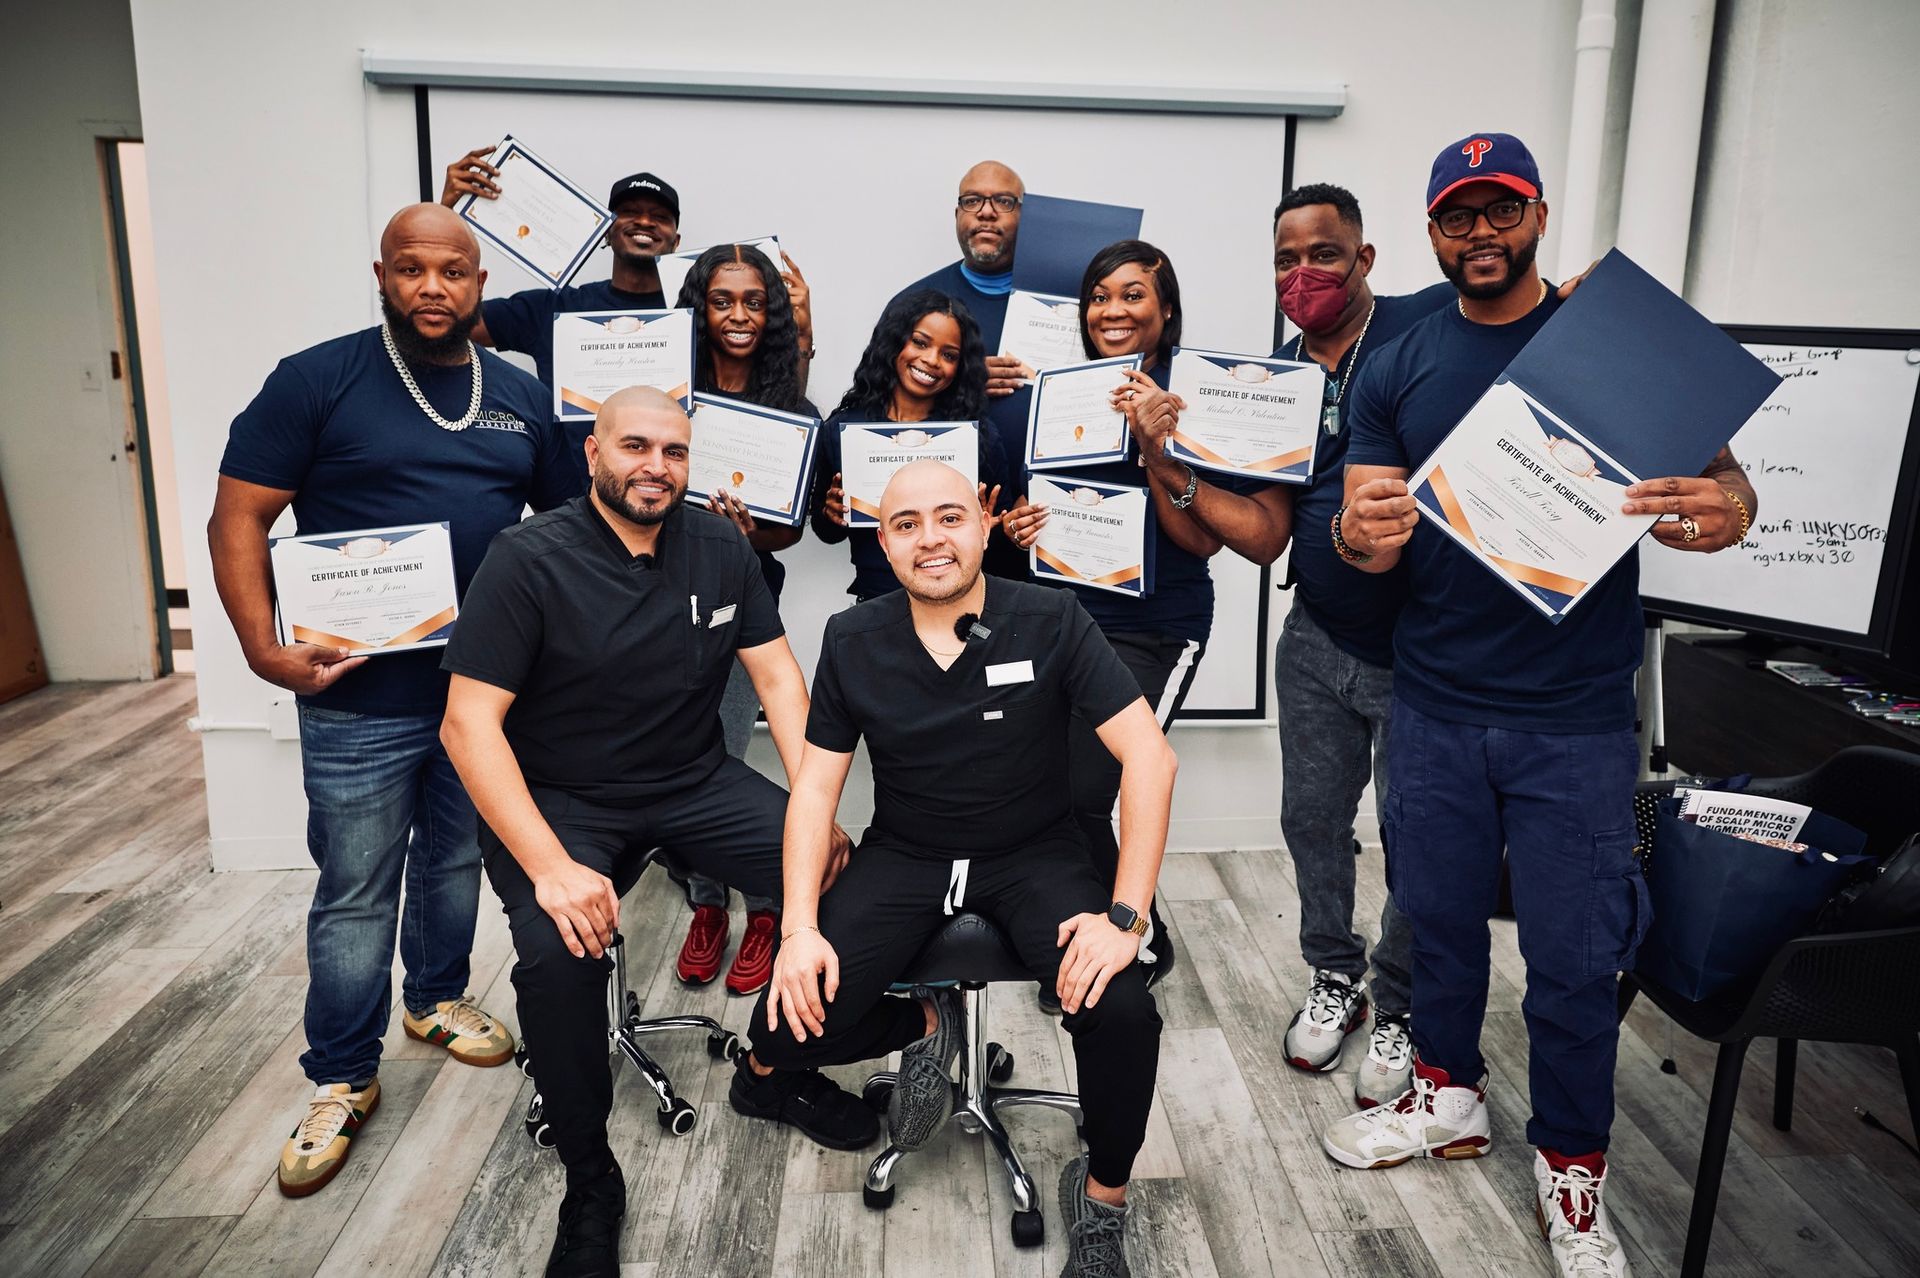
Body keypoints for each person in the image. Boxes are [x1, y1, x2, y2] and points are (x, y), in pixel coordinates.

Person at [1320, 133, 1758, 1278]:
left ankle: (1573, 1169)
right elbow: (1360, 525)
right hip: (1434, 708)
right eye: (1457, 217)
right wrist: (1355, 536)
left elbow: (1734, 494)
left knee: (1573, 959)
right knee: (1443, 924)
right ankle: (1450, 1096)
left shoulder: (1610, 345)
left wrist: (1711, 510)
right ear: (1431, 232)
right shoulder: (1397, 360)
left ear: (1538, 216)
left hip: (1575, 721)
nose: (1480, 235)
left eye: (1499, 212)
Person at [439, 386, 868, 1278]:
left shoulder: (719, 546)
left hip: (692, 781)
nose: (656, 467)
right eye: (635, 446)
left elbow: (783, 686)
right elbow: (467, 726)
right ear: (592, 453)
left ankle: (774, 1069)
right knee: (560, 962)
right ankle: (592, 1181)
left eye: (674, 451)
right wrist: (552, 867)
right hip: (563, 801)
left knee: (847, 884)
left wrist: (811, 813)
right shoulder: (527, 558)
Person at [208, 204, 583, 1198]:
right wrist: (260, 647)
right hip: (355, 699)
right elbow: (238, 513)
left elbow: (566, 521)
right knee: (358, 888)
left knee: (456, 857)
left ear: (479, 281)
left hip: (482, 700)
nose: (432, 287)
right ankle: (340, 1074)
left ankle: (437, 997)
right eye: (411, 269)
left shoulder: (515, 391)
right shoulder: (315, 379)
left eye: (452, 271)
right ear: (382, 274)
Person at [754, 458, 1177, 1278]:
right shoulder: (853, 637)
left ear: (985, 524)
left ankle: (1101, 1198)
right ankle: (929, 1028)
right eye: (907, 525)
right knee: (786, 1024)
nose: (931, 539)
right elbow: (814, 788)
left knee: (1123, 1009)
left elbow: (1149, 761)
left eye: (950, 517)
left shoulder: (1050, 617)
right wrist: (800, 927)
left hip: (1034, 854)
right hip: (907, 851)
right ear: (886, 542)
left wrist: (1126, 917)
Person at [1177, 184, 1452, 1105]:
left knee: (1415, 838)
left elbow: (1526, 320)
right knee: (1311, 823)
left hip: (1425, 655)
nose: (1304, 275)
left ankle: (1404, 999)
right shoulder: (1273, 384)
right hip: (1317, 641)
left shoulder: (1429, 324)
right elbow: (1263, 537)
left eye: (1323, 255)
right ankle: (1335, 976)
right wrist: (1171, 464)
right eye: (1286, 261)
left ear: (1365, 260)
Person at [994, 240, 1285, 1005]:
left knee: (1091, 790)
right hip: (1063, 620)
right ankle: (1088, 929)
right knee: (1054, 789)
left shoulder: (1191, 398)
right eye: (1098, 295)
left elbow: (1201, 542)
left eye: (1131, 295)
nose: (1112, 310)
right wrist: (1020, 527)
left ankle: (1134, 938)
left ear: (1163, 310)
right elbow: (1033, 512)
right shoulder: (1055, 393)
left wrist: (1158, 452)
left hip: (1155, 627)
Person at [667, 243, 820, 996]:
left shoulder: (792, 410)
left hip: (738, 605)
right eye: (722, 300)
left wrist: (745, 534)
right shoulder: (665, 393)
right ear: (699, 306)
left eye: (754, 301)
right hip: (651, 605)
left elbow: (789, 532)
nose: (738, 315)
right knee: (673, 758)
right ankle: (707, 905)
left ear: (772, 313)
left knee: (728, 758)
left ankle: (765, 909)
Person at [437, 147, 817, 444]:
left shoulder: (700, 317)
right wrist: (445, 213)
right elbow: (443, 325)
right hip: (569, 511)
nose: (645, 222)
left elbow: (777, 406)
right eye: (629, 212)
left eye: (660, 217)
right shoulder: (553, 308)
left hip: (666, 511)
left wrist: (801, 336)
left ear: (676, 240)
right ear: (605, 230)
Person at [808, 289, 1013, 600]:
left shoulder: (979, 437)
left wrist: (988, 527)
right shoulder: (841, 431)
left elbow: (1004, 537)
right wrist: (831, 514)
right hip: (876, 603)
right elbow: (826, 532)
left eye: (949, 355)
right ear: (894, 342)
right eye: (920, 342)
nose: (931, 360)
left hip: (960, 602)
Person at [892, 160, 1034, 396]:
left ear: (1025, 216)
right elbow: (876, 394)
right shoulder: (910, 304)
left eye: (1003, 201)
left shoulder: (1067, 302)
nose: (986, 212)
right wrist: (961, 379)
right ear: (958, 215)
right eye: (972, 201)